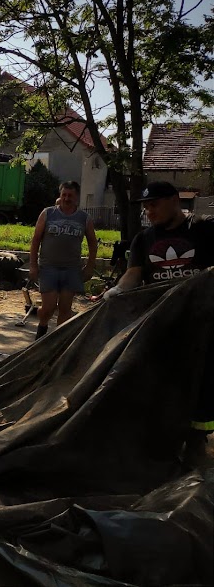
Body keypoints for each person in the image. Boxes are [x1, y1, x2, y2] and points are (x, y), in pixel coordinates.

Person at [102, 180, 214, 467]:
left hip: (202, 324)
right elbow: (133, 275)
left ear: (175, 200)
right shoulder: (144, 239)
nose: (149, 211)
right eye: (145, 206)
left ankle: (196, 441)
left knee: (202, 383)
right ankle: (158, 439)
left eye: (154, 204)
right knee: (159, 380)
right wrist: (116, 292)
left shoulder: (205, 229)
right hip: (162, 322)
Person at [29, 181, 97, 339]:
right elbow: (35, 240)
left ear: (76, 197)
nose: (67, 198)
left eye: (70, 195)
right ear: (60, 195)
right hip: (48, 267)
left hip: (71, 269)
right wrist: (33, 265)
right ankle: (42, 327)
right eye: (64, 195)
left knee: (65, 309)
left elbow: (93, 243)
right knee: (48, 308)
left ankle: (57, 343)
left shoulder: (84, 218)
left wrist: (90, 266)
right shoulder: (48, 213)